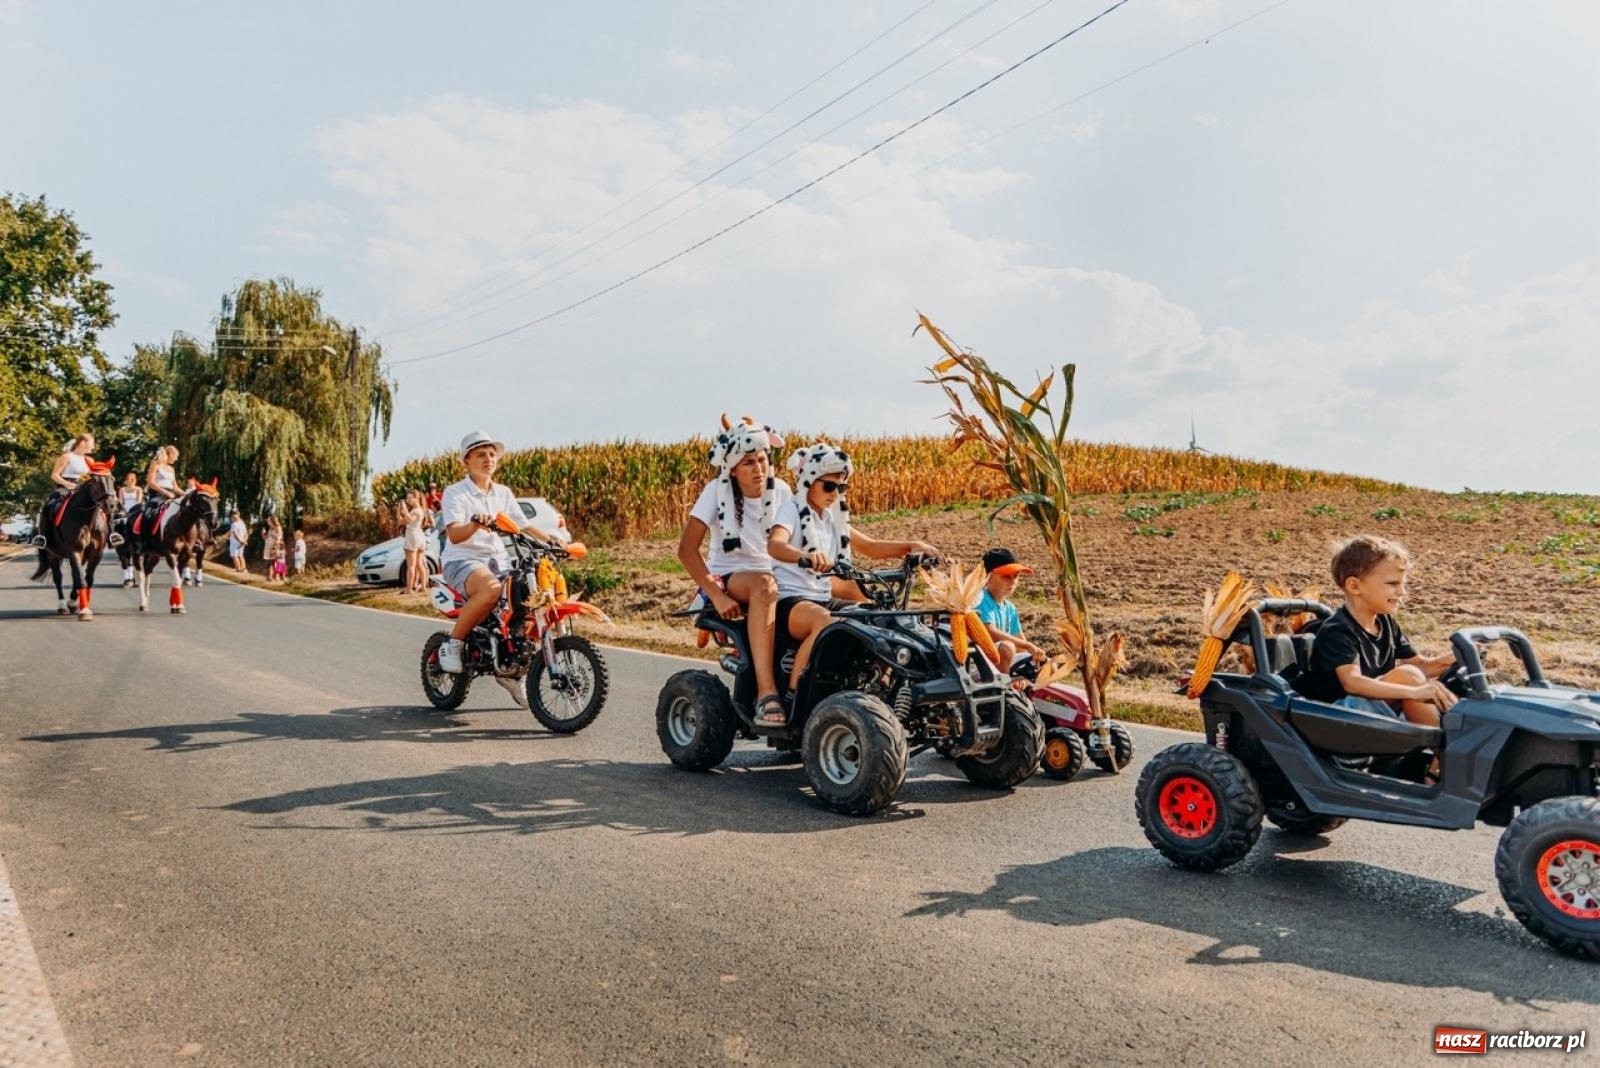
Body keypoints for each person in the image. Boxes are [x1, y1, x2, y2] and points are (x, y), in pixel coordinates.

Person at [767, 443, 938, 709]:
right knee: (827, 622)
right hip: (791, 600)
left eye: (842, 487)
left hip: (823, 598)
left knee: (879, 619)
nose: (835, 494)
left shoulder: (834, 520)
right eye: (829, 486)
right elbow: (775, 545)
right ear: (810, 480)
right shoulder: (791, 510)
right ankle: (792, 696)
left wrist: (912, 546)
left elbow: (870, 547)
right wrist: (805, 556)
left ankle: (878, 689)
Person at [1293, 534, 1458, 780]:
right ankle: (1446, 759)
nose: (1402, 592)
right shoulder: (1337, 630)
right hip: (1337, 717)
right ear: (1355, 586)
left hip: (1372, 710)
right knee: (1410, 680)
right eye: (1392, 584)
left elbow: (1422, 666)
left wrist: (1455, 658)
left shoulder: (1386, 622)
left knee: (1420, 682)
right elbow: (1353, 682)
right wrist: (1413, 690)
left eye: (1403, 584)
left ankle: (1445, 752)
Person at [677, 416, 791, 727]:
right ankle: (767, 694)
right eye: (749, 463)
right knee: (765, 586)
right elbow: (687, 550)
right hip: (732, 576)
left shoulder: (781, 490)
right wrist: (715, 594)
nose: (759, 469)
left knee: (844, 590)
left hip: (776, 575)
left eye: (763, 460)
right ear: (732, 468)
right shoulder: (716, 491)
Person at [435, 431, 557, 708]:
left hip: (498, 560)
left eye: (491, 454)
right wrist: (476, 524)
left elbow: (523, 526)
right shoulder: (456, 493)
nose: (488, 459)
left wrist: (552, 541)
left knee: (529, 600)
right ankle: (453, 644)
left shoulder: (503, 493)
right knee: (490, 589)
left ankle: (516, 670)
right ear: (466, 461)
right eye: (480, 454)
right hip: (462, 560)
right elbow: (454, 535)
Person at [33, 434, 120, 546]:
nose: (93, 447)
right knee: (48, 505)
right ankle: (42, 536)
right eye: (92, 443)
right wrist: (67, 484)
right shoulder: (66, 457)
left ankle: (111, 534)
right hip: (65, 488)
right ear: (83, 442)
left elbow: (92, 477)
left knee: (106, 504)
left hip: (84, 489)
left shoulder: (90, 460)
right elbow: (54, 475)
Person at [973, 547, 1047, 673]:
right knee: (1007, 647)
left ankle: (1023, 687)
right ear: (987, 577)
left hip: (1004, 659)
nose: (1013, 582)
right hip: (980, 662)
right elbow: (991, 633)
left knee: (1048, 663)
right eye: (1006, 577)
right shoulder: (980, 599)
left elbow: (1020, 643)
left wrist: (1028, 659)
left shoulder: (1010, 608)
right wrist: (1028, 646)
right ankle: (1004, 688)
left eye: (1016, 576)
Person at [400, 489, 430, 594]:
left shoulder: (417, 510)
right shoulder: (419, 510)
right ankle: (423, 586)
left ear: (415, 498)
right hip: (420, 536)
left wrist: (404, 508)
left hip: (413, 536)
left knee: (411, 565)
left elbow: (409, 520)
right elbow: (403, 521)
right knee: (419, 564)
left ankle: (409, 589)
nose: (408, 500)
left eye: (409, 498)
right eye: (407, 498)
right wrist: (401, 511)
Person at [117, 473, 144, 586]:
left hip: (135, 511)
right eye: (128, 479)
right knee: (116, 524)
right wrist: (123, 512)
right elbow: (120, 502)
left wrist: (131, 513)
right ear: (126, 480)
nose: (130, 481)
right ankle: (113, 539)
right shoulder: (122, 489)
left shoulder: (138, 489)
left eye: (132, 479)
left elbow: (138, 502)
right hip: (124, 512)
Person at [262, 515, 284, 582]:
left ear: (272, 521)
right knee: (271, 562)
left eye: (269, 521)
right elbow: (265, 538)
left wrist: (274, 547)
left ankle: (277, 577)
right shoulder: (271, 529)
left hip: (275, 547)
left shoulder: (278, 528)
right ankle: (270, 576)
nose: (268, 523)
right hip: (269, 548)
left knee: (277, 562)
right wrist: (263, 534)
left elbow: (279, 538)